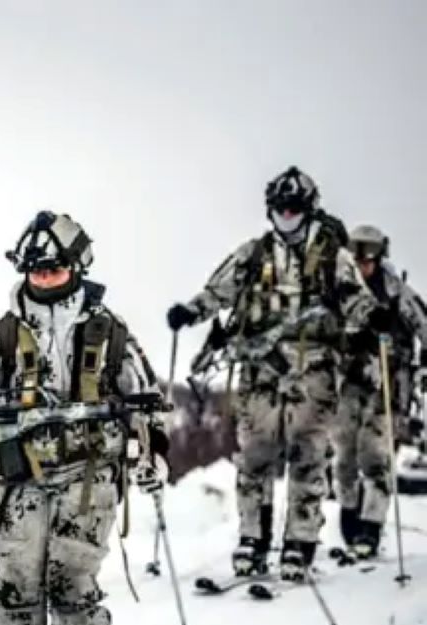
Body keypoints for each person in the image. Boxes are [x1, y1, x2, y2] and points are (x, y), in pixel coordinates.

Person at [0, 211, 168, 625]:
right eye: (35, 270)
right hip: (19, 480)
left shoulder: (110, 332)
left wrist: (152, 453)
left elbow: (147, 398)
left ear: (76, 268)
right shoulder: (1, 334)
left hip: (87, 480)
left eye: (54, 269)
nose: (44, 278)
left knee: (74, 586)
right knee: (15, 588)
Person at [166, 166, 372, 581]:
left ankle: (300, 542)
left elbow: (355, 299)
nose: (287, 216)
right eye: (281, 209)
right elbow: (219, 291)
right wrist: (190, 311)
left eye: (294, 209)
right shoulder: (254, 253)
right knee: (254, 455)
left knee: (307, 455)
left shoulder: (333, 257)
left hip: (313, 370)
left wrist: (373, 317)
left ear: (308, 209)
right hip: (260, 369)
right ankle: (252, 538)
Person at [334, 224, 426, 558]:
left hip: (387, 382)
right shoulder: (340, 291)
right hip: (347, 382)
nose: (362, 265)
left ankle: (370, 527)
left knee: (374, 456)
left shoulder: (396, 291)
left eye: (367, 259)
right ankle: (349, 515)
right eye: (355, 258)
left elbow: (423, 323)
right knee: (344, 457)